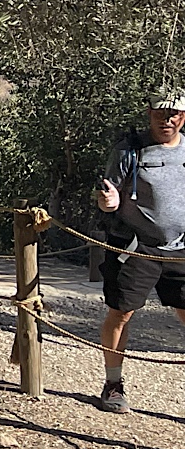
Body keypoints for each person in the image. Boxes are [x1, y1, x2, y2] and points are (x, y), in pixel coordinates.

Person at [94, 93, 185, 412]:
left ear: (183, 117)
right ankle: (113, 385)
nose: (167, 119)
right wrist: (109, 203)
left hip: (182, 249)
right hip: (136, 247)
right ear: (149, 114)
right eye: (161, 112)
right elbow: (108, 194)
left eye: (174, 113)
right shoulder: (129, 150)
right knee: (121, 312)